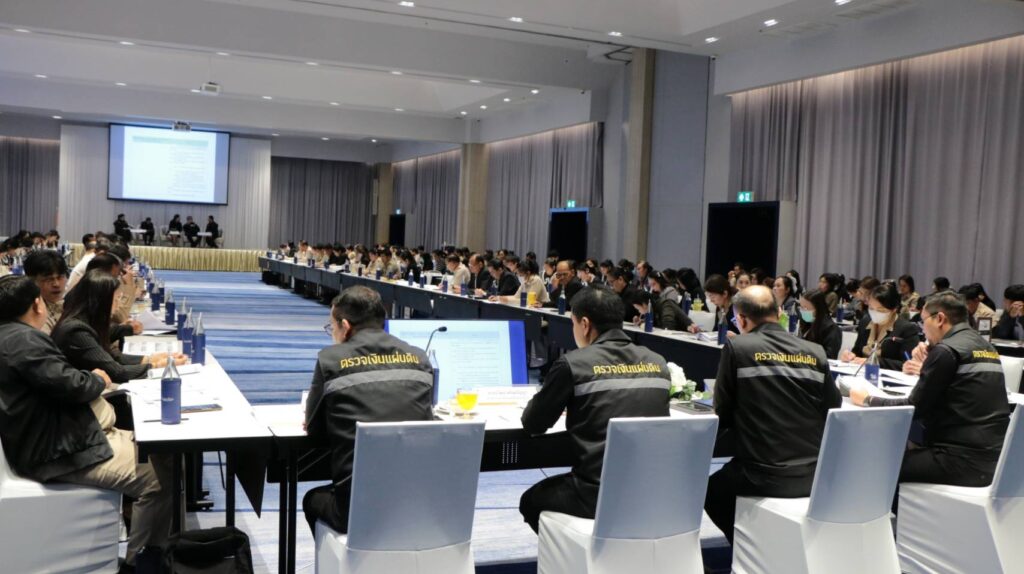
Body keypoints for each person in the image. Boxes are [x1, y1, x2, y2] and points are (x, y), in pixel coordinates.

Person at [0, 275, 173, 566]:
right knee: (157, 480)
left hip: (59, 437)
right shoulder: (24, 340)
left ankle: (164, 549)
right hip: (57, 450)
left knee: (166, 454)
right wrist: (96, 379)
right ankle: (143, 564)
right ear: (37, 304)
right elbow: (73, 385)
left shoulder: (13, 337)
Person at [519, 286, 671, 532]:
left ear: (585, 324)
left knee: (530, 501)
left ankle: (580, 552)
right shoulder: (658, 362)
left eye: (573, 323)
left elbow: (533, 424)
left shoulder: (573, 364)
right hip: (651, 491)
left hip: (595, 494)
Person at [704, 285, 841, 544]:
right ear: (778, 313)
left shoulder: (738, 347)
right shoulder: (815, 351)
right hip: (813, 474)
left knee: (712, 491)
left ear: (741, 319)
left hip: (762, 474)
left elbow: (722, 411)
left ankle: (752, 547)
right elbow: (832, 407)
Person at [302, 286, 434, 534]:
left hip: (356, 511)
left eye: (332, 327)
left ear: (345, 326)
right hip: (419, 504)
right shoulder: (420, 357)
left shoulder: (330, 359)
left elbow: (315, 431)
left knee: (311, 499)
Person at [850, 292, 1010, 488]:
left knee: (873, 462)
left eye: (923, 321)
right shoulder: (987, 348)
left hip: (958, 460)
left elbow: (913, 408)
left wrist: (868, 400)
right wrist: (930, 356)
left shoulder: (946, 351)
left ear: (940, 319)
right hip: (995, 458)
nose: (923, 330)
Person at [51, 270, 185, 383]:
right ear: (100, 302)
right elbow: (116, 372)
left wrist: (151, 359)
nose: (118, 305)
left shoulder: (86, 322)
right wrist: (157, 366)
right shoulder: (76, 332)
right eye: (116, 300)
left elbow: (113, 357)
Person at [840, 283, 920, 370]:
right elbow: (857, 351)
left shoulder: (907, 329)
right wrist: (850, 355)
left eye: (881, 310)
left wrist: (873, 362)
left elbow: (908, 364)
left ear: (894, 309)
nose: (875, 313)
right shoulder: (865, 322)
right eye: (871, 308)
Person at [23, 250, 68, 335]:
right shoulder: (29, 312)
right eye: (49, 279)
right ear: (31, 281)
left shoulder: (71, 303)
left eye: (60, 277)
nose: (56, 284)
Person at [797, 289, 842, 359]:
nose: (802, 311)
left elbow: (830, 356)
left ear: (818, 309)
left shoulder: (832, 329)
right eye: (801, 307)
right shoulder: (806, 324)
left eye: (806, 308)